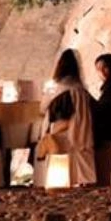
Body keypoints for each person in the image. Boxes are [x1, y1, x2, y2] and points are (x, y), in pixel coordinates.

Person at [37, 48, 96, 185]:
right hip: (85, 134)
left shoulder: (59, 89)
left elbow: (52, 113)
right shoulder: (81, 89)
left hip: (65, 133)